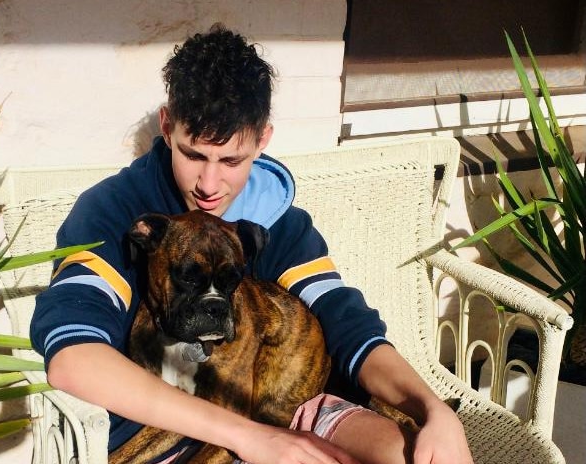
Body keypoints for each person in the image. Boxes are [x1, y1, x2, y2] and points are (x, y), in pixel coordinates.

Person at [30, 24, 473, 464]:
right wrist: (251, 438)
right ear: (167, 127)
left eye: (231, 160)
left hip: (293, 412)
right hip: (158, 430)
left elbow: (348, 325)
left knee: (414, 455)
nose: (209, 184)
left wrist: (433, 409)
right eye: (194, 154)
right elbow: (72, 356)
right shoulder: (113, 211)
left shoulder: (276, 219)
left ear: (262, 140)